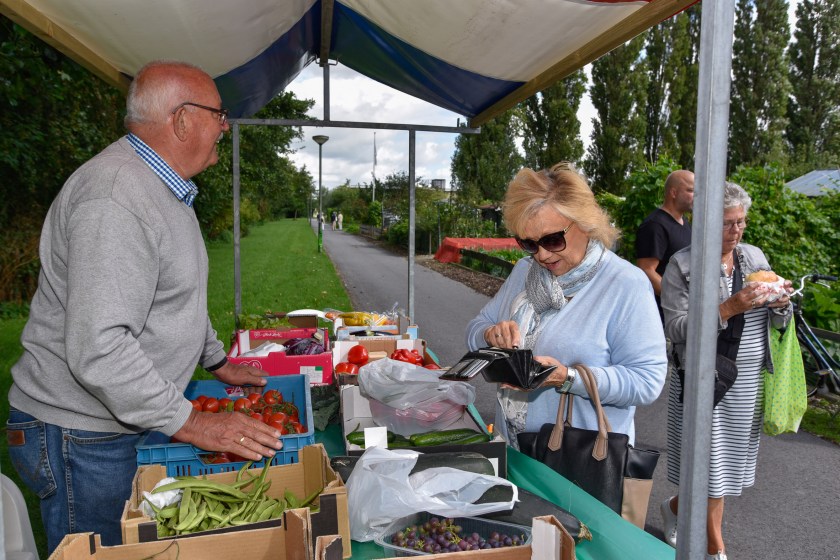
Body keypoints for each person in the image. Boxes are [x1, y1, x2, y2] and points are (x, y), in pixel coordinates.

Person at [5, 61, 283, 553]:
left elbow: (177, 297)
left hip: (111, 423)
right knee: (109, 552)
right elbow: (99, 348)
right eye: (219, 115)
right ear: (182, 120)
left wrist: (217, 361)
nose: (224, 127)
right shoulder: (116, 198)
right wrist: (194, 422)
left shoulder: (164, 191)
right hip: (81, 434)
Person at [465, 162, 667, 454]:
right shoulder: (524, 272)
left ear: (585, 223)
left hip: (580, 459)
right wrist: (490, 335)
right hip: (513, 448)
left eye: (552, 239)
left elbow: (646, 381)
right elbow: (475, 329)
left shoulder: (625, 283)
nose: (542, 255)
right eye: (529, 243)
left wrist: (568, 378)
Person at [659, 182, 793, 560]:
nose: (737, 231)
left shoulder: (754, 257)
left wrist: (781, 304)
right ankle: (715, 548)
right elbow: (675, 328)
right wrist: (728, 308)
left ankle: (673, 509)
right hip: (702, 378)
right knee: (711, 467)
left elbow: (779, 320)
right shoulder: (682, 265)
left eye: (741, 222)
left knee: (724, 467)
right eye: (728, 223)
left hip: (747, 379)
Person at [636, 170, 694, 321]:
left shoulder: (685, 224)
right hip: (663, 317)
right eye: (691, 190)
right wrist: (677, 299)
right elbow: (646, 270)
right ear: (673, 193)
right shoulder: (655, 225)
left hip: (683, 314)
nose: (696, 196)